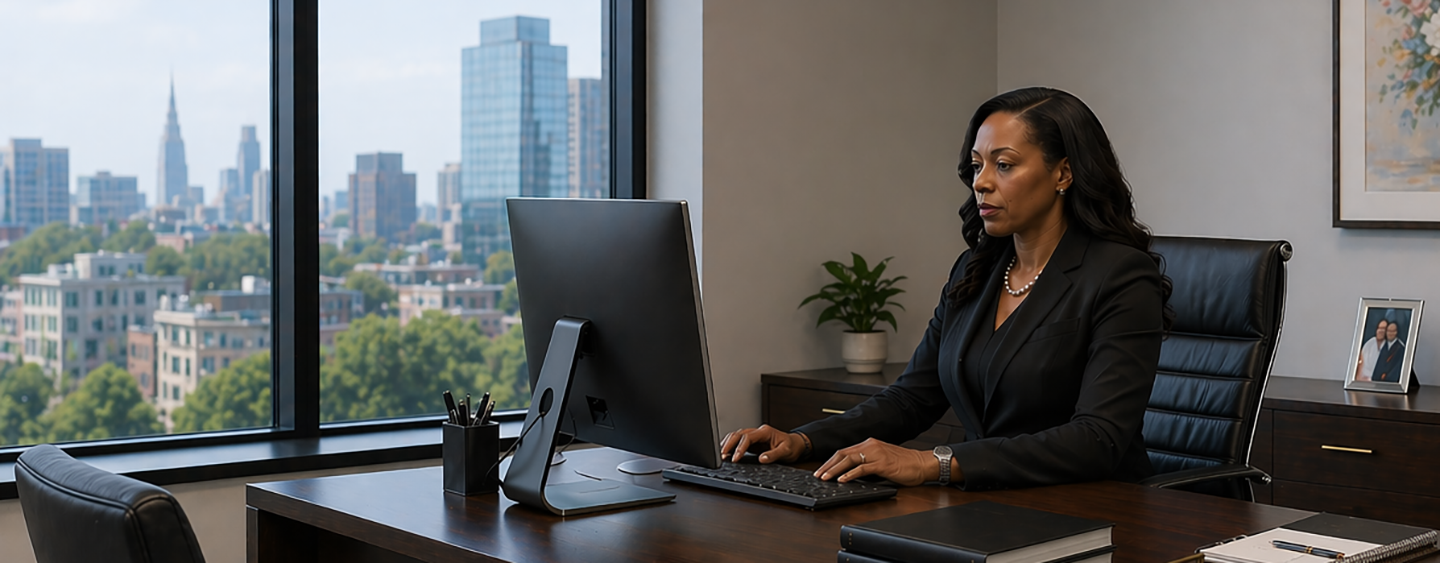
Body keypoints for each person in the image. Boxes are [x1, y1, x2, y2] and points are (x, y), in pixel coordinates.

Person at [720, 87, 1173, 490]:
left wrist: (932, 462)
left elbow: (1098, 438)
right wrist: (802, 440)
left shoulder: (1120, 276)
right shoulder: (976, 270)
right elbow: (913, 396)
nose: (981, 182)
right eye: (977, 166)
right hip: (986, 502)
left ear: (1063, 174)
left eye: (1004, 165)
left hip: (1096, 509)